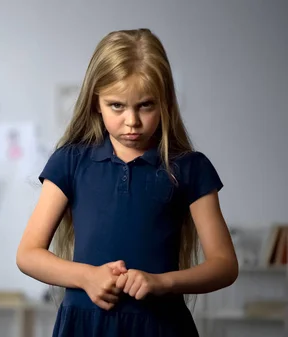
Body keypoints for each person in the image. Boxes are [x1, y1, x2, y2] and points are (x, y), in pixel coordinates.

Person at [16, 29, 239, 337]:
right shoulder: (69, 161)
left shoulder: (190, 168)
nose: (132, 121)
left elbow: (225, 264)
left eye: (146, 105)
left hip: (160, 326)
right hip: (85, 327)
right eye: (117, 106)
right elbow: (28, 254)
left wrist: (162, 283)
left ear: (165, 103)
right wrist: (87, 277)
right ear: (96, 102)